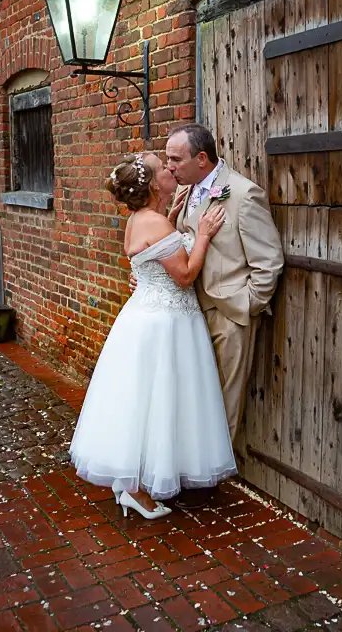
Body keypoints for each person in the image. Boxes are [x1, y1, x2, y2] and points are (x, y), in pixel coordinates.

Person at [70, 152, 237, 520]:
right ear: (151, 184)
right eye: (163, 168)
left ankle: (130, 482)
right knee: (162, 401)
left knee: (142, 403)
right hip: (167, 322)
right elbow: (184, 276)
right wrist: (204, 235)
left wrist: (172, 217)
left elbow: (149, 255)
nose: (170, 169)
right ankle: (139, 493)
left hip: (142, 316)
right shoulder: (156, 225)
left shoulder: (142, 219)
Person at [131, 124, 284, 444]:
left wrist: (247, 304)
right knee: (192, 397)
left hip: (228, 314)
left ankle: (213, 478)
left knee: (224, 401)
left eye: (175, 159)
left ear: (201, 158)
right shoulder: (185, 192)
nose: (169, 166)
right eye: (167, 160)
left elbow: (268, 261)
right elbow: (173, 245)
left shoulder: (243, 194)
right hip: (188, 311)